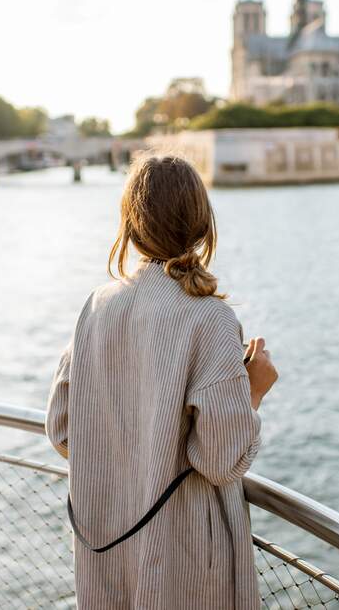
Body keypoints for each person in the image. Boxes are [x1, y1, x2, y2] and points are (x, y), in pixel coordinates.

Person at [45, 154, 278, 610]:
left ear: (130, 226)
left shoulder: (96, 306)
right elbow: (220, 460)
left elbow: (62, 430)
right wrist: (252, 390)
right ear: (201, 224)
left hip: (107, 545)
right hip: (184, 562)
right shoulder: (209, 318)